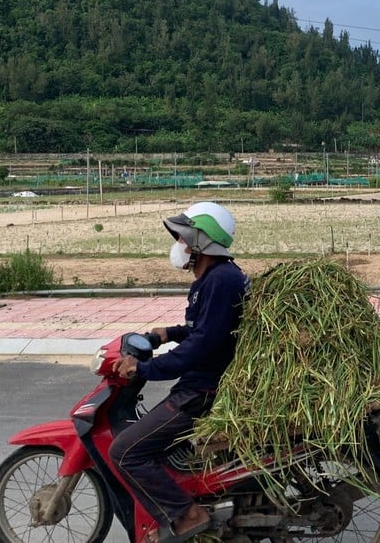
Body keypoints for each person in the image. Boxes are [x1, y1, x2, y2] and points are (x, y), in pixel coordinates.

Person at [109, 201, 247, 543]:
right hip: (201, 384)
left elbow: (202, 345)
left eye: (184, 239)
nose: (180, 246)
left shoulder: (221, 280)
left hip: (202, 392)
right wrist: (166, 334)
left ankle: (187, 515)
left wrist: (147, 368)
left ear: (200, 242)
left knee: (125, 451)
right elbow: (205, 329)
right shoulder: (214, 279)